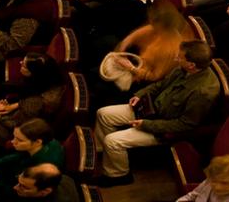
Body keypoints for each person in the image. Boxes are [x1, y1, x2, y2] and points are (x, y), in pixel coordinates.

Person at [93, 39, 221, 181]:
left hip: (161, 128)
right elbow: (160, 85)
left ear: (191, 65)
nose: (176, 58)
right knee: (103, 114)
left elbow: (185, 124)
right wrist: (140, 95)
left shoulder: (203, 92)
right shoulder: (184, 69)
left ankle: (118, 175)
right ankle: (104, 153)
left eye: (180, 57)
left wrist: (146, 124)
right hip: (150, 110)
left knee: (112, 141)